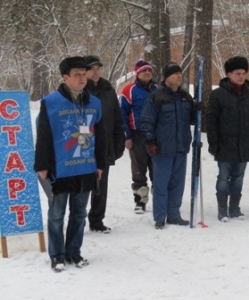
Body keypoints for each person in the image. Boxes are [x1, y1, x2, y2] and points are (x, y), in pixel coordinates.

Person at [34, 56, 106, 272]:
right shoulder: (51, 102)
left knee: (79, 214)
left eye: (85, 74)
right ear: (65, 78)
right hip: (60, 168)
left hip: (85, 168)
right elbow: (44, 136)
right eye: (77, 75)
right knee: (56, 214)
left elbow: (101, 136)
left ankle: (74, 251)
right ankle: (57, 255)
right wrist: (42, 166)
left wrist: (100, 164)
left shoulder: (95, 103)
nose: (83, 78)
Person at [140, 62, 200, 229]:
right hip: (162, 148)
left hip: (181, 148)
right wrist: (150, 141)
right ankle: (160, 217)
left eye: (180, 74)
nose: (180, 76)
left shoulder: (185, 98)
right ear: (167, 77)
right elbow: (146, 121)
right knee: (161, 184)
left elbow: (192, 120)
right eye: (176, 74)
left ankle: (174, 214)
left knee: (177, 184)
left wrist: (198, 111)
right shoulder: (156, 97)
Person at [206, 56, 249, 222]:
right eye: (237, 73)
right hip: (224, 144)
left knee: (238, 177)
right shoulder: (217, 95)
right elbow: (211, 120)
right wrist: (213, 143)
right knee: (224, 177)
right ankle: (222, 209)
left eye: (243, 73)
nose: (241, 76)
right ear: (228, 74)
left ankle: (235, 208)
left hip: (244, 144)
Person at [84, 55, 125, 233]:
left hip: (105, 143)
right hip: (83, 144)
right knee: (82, 184)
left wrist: (119, 141)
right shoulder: (80, 90)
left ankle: (97, 220)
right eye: (91, 68)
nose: (95, 71)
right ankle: (76, 219)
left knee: (101, 185)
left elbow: (117, 117)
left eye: (98, 68)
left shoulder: (108, 90)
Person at [120, 59, 158, 214]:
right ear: (137, 73)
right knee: (139, 169)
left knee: (158, 168)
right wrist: (126, 136)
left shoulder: (159, 89)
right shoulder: (129, 90)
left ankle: (160, 199)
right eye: (144, 71)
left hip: (156, 135)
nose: (147, 73)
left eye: (149, 70)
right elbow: (122, 114)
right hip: (137, 135)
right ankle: (140, 201)